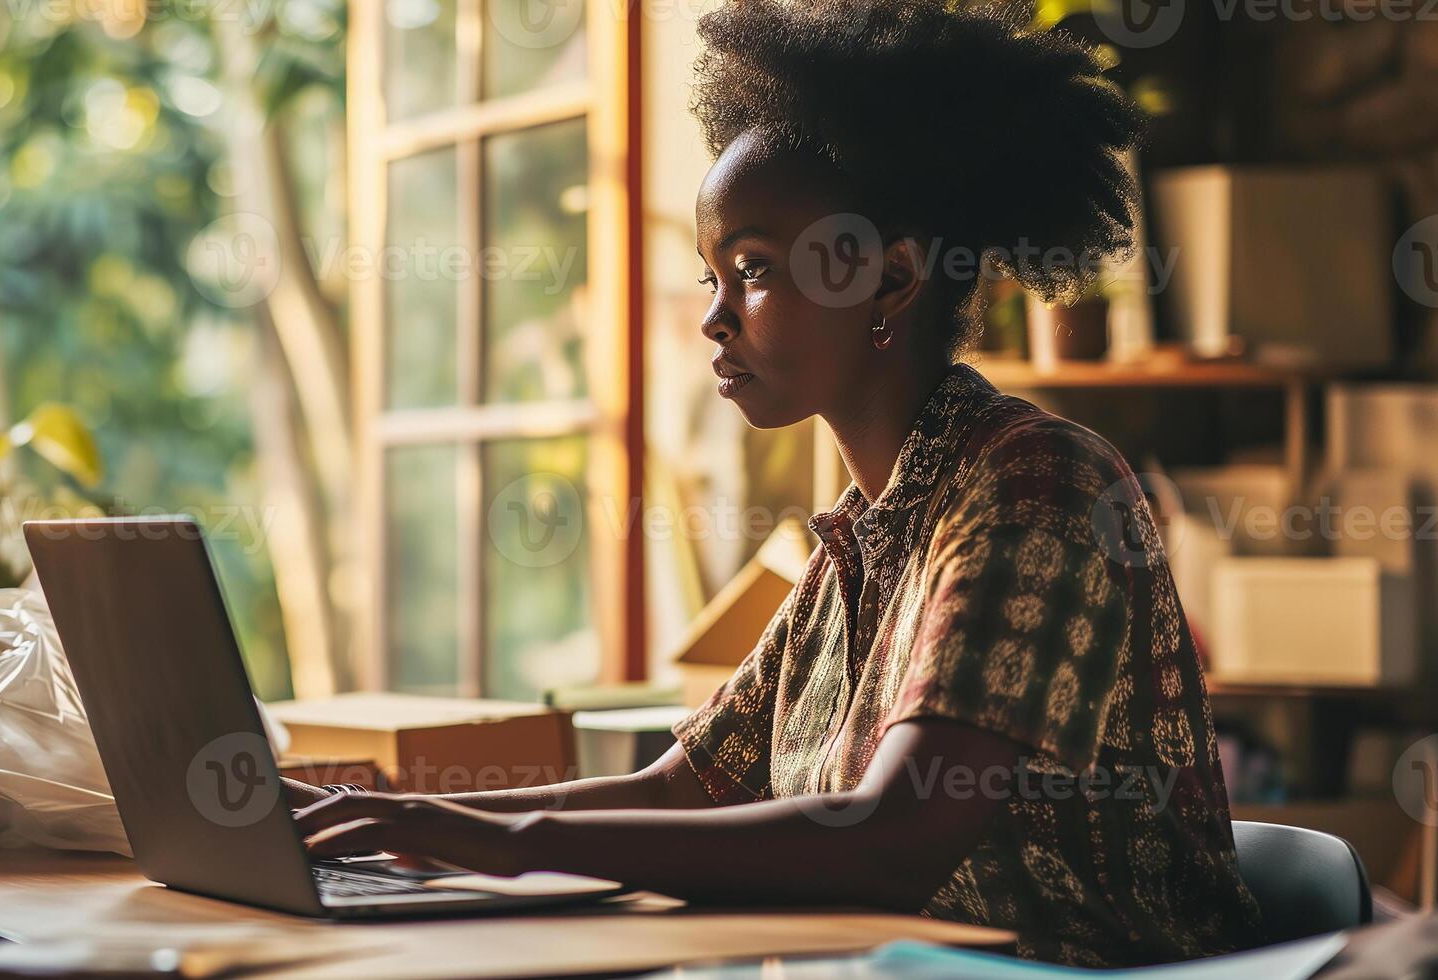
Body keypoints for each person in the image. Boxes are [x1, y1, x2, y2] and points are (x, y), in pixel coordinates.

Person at [289, 0, 1264, 965]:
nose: (714, 317)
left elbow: (893, 836)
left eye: (751, 268)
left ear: (888, 278)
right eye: (711, 273)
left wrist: (508, 844)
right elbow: (684, 786)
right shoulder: (860, 536)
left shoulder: (1037, 483)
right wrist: (405, 817)